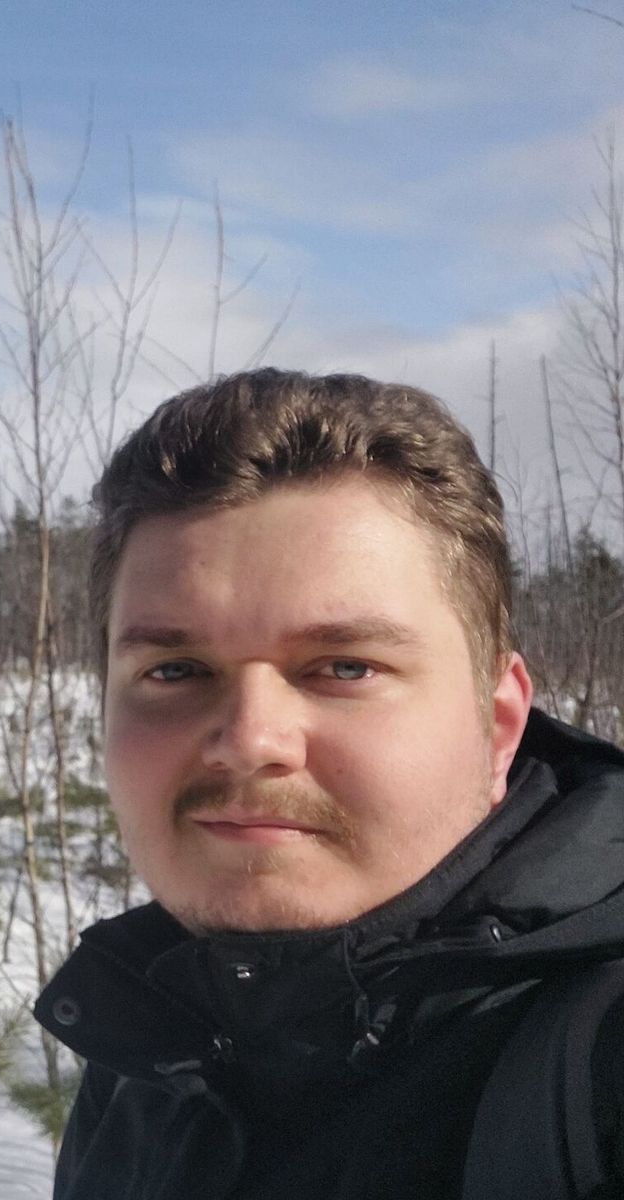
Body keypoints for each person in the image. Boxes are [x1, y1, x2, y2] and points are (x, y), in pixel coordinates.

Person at [34, 368, 624, 1198]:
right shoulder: (149, 1040)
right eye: (176, 670)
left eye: (345, 666)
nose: (250, 741)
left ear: (496, 724)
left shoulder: (597, 1066)